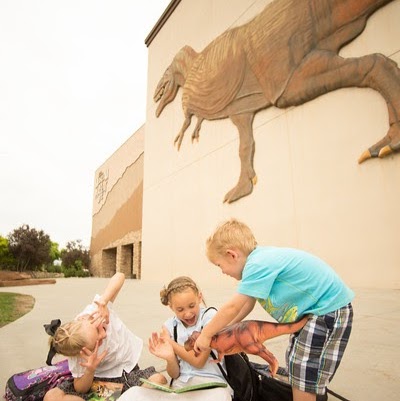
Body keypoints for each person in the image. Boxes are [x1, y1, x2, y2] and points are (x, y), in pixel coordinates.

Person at [193, 218, 354, 401]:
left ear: (232, 255)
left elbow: (233, 306)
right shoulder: (258, 261)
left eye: (219, 265)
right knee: (297, 363)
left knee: (304, 368)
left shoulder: (257, 265)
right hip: (317, 312)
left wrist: (206, 334)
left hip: (326, 311)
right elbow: (247, 304)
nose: (222, 271)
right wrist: (223, 329)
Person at [44, 272, 166, 401]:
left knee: (159, 381)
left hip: (128, 374)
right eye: (98, 341)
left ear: (88, 318)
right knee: (52, 397)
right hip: (103, 386)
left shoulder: (96, 310)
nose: (104, 334)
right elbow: (80, 388)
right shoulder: (78, 352)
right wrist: (90, 370)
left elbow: (120, 276)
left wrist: (104, 300)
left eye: (99, 329)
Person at [118, 276, 232, 401]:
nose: (187, 313)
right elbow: (174, 374)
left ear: (199, 298)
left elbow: (198, 362)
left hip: (212, 386)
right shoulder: (169, 326)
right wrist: (170, 358)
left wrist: (171, 344)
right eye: (180, 309)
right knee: (133, 393)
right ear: (171, 307)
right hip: (181, 387)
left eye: (191, 306)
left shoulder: (209, 317)